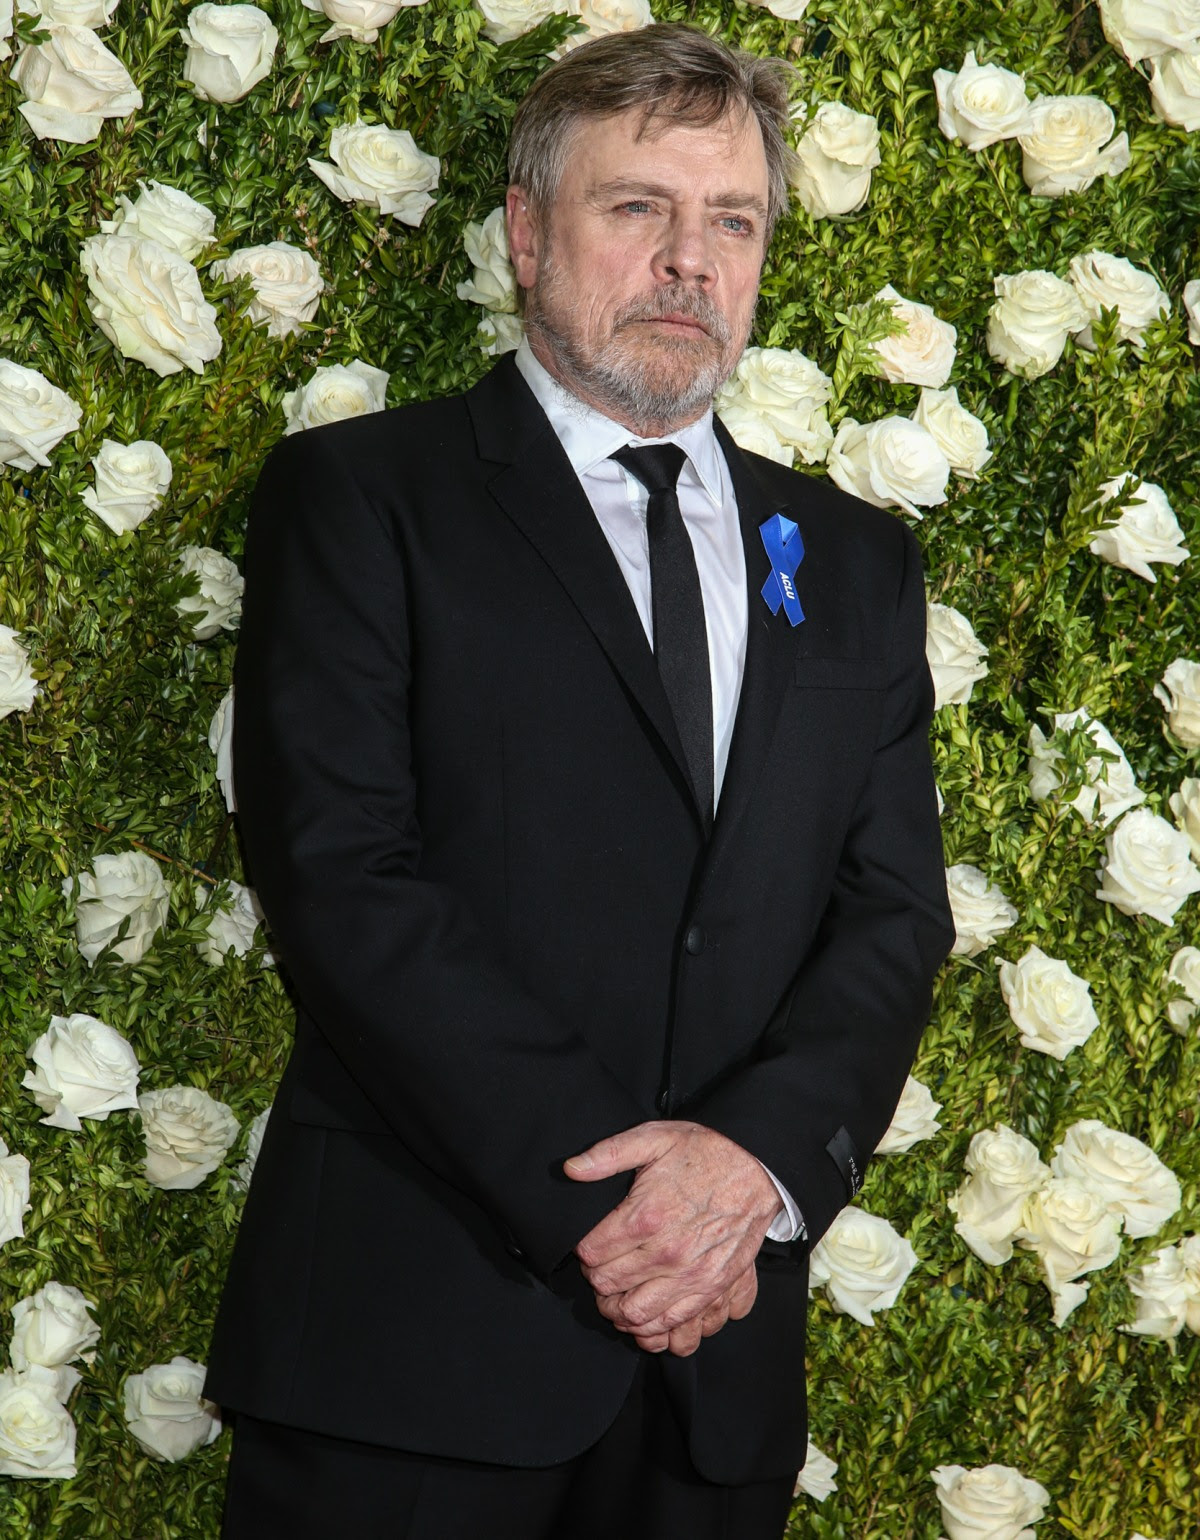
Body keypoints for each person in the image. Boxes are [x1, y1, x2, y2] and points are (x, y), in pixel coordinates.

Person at [204, 22, 955, 1540]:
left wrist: (748, 1171)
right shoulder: (363, 501)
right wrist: (624, 1214)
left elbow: (892, 918)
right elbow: (347, 883)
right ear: (528, 235)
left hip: (716, 1377)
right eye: (640, 210)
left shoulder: (859, 562)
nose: (691, 261)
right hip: (411, 1361)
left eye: (730, 222)